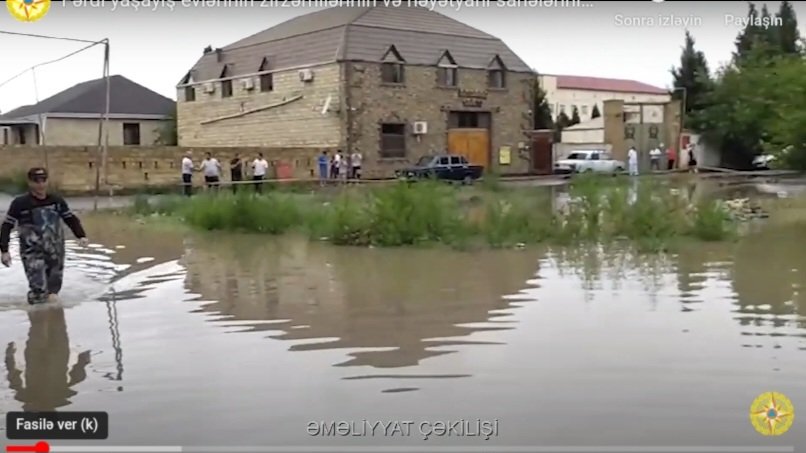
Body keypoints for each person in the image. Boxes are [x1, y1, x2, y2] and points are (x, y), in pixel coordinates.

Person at [0, 168, 89, 305]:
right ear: (30, 182)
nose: (41, 185)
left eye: (43, 180)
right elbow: (7, 226)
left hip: (55, 250)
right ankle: (35, 319)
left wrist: (81, 235)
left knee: (53, 291)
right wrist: (4, 250)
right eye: (37, 181)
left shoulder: (56, 200)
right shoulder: (20, 203)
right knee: (38, 290)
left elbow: (70, 218)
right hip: (32, 252)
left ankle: (53, 321)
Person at [5, 307, 90, 411]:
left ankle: (42, 300)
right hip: (54, 356)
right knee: (50, 323)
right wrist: (82, 363)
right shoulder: (59, 399)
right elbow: (13, 378)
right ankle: (46, 299)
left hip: (43, 357)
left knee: (44, 325)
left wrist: (9, 357)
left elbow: (13, 378)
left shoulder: (57, 399)